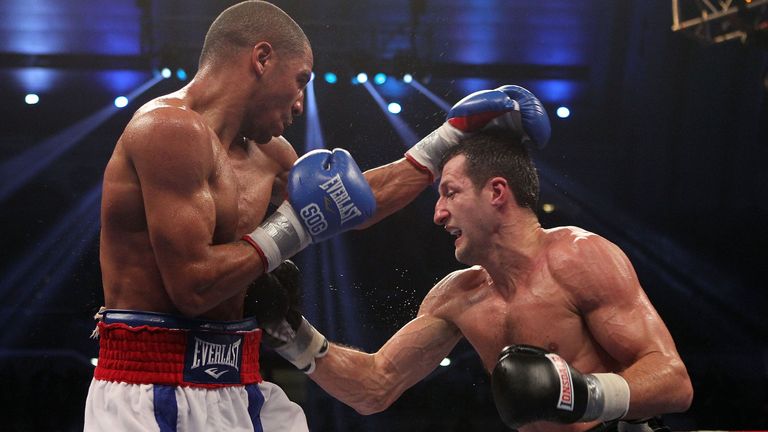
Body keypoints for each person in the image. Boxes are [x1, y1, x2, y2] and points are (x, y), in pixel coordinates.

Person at [83, 0, 535, 430]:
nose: (300, 103)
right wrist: (294, 228)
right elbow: (193, 287)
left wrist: (449, 137)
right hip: (148, 387)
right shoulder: (168, 130)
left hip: (238, 379)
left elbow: (352, 203)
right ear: (262, 58)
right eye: (300, 80)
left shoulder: (268, 153)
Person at [264, 117, 694, 430]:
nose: (438, 213)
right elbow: (374, 388)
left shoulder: (579, 256)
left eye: (450, 192)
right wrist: (290, 333)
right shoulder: (457, 295)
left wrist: (582, 394)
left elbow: (674, 381)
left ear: (497, 192)